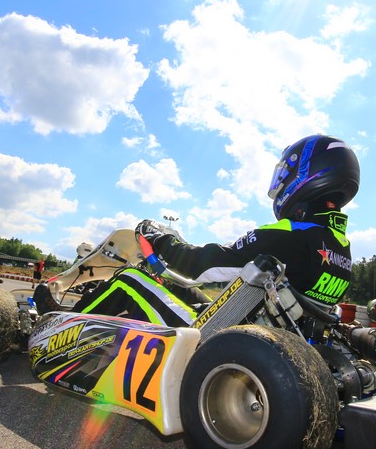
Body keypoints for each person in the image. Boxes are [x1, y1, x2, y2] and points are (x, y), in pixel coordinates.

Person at [62, 134, 359, 327]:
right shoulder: (340, 247)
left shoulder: (288, 234)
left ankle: (62, 329)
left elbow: (204, 267)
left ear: (304, 173)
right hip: (268, 338)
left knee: (129, 280)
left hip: (219, 339)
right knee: (179, 288)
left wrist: (160, 240)